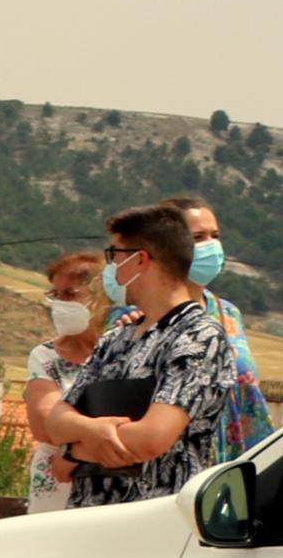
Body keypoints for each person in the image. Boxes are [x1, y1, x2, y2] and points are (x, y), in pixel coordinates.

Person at [34, 203, 235, 511]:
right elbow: (57, 422)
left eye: (115, 255)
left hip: (151, 523)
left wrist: (75, 449)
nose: (110, 267)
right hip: (89, 519)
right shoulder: (118, 338)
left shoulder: (198, 337)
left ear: (140, 260)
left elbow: (151, 439)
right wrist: (92, 431)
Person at [162, 192, 274, 455]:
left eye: (215, 236)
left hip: (229, 465)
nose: (211, 245)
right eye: (198, 237)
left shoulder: (229, 314)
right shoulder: (143, 317)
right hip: (173, 467)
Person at [21, 251, 109, 515]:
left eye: (70, 294)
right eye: (55, 295)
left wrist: (73, 448)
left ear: (101, 298)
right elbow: (45, 424)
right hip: (58, 489)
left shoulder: (129, 349)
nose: (60, 304)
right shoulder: (45, 356)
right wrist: (100, 433)